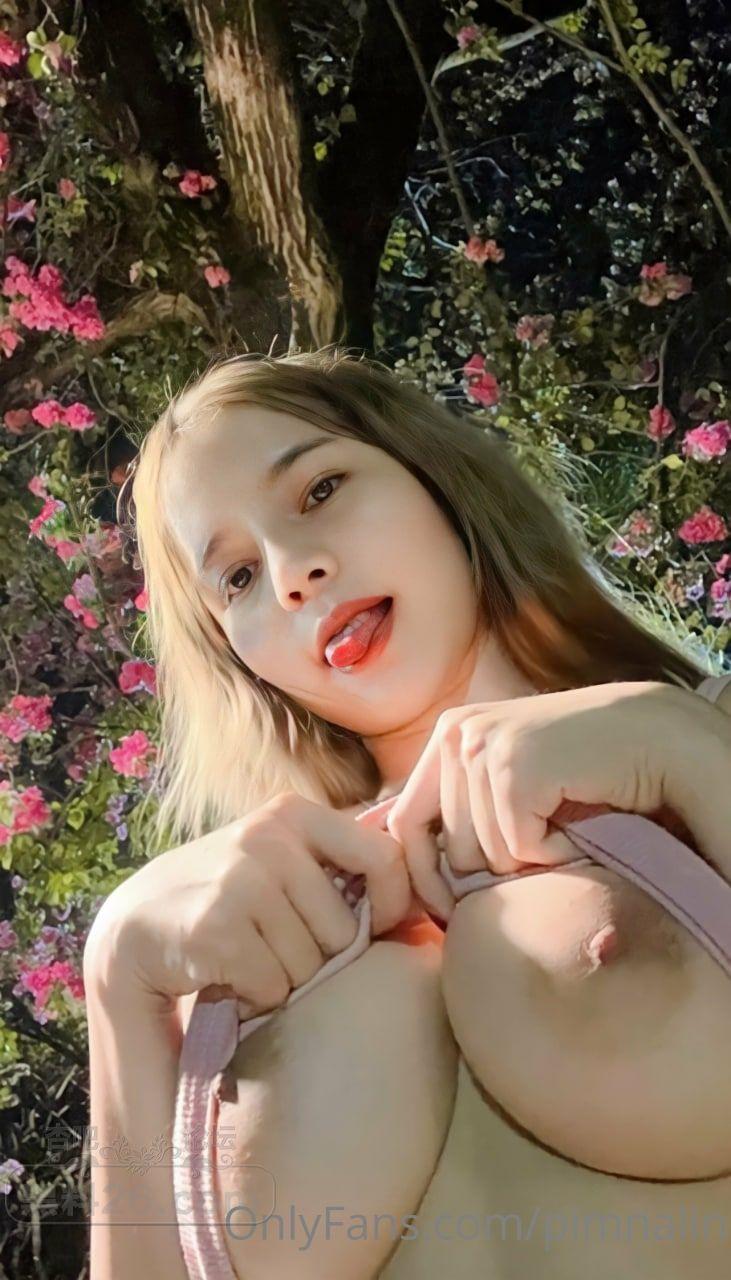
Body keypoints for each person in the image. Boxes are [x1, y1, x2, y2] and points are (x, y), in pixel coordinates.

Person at [84, 345, 731, 1279]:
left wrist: (680, 747)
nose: (291, 572)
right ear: (236, 655)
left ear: (435, 477)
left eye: (319, 490)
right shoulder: (249, 938)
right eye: (237, 578)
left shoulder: (702, 732)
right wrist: (118, 983)